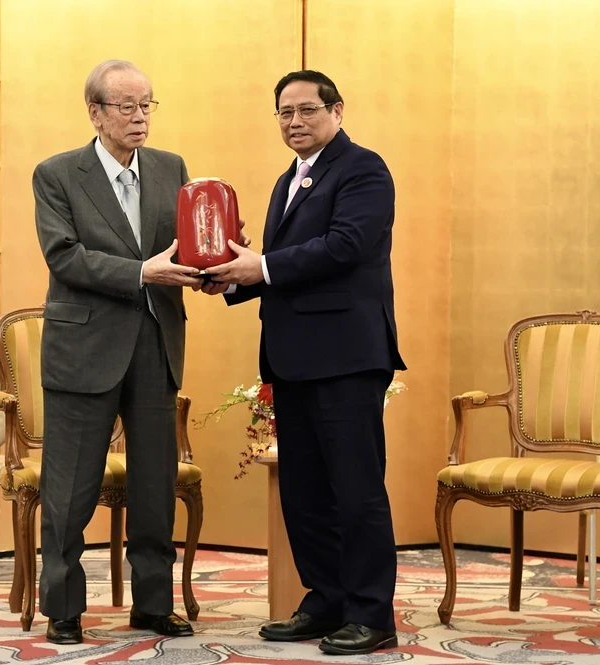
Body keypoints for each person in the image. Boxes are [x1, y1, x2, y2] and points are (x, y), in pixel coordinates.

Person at [203, 70, 406, 656]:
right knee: (306, 490)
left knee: (357, 490)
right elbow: (285, 265)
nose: (295, 122)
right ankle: (325, 599)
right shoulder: (285, 181)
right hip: (292, 359)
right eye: (285, 113)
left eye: (307, 110)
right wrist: (229, 281)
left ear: (337, 110)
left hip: (346, 357)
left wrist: (258, 269)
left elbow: (345, 246)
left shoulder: (364, 169)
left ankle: (371, 613)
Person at [32, 59, 203, 645]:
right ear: (96, 113)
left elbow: (179, 248)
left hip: (156, 341)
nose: (140, 117)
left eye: (147, 104)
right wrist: (141, 272)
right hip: (84, 348)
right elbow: (64, 257)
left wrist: (211, 256)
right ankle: (64, 607)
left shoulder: (169, 167)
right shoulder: (57, 174)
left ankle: (153, 603)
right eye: (126, 106)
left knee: (155, 484)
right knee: (70, 489)